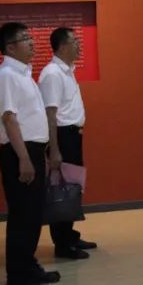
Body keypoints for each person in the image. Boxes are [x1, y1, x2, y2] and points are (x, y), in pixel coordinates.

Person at [0, 22, 58, 285]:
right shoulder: (7, 75)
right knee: (22, 217)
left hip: (32, 150)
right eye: (24, 38)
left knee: (33, 216)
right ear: (10, 47)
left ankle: (28, 266)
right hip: (20, 152)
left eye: (30, 37)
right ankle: (17, 280)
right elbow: (10, 119)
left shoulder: (23, 74)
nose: (31, 42)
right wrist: (24, 158)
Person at [39, 27, 97, 258]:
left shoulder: (67, 71)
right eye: (74, 41)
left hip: (73, 135)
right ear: (62, 46)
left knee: (72, 187)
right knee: (60, 188)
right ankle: (62, 244)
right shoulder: (52, 74)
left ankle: (69, 235)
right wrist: (54, 149)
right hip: (62, 136)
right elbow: (50, 114)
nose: (78, 45)